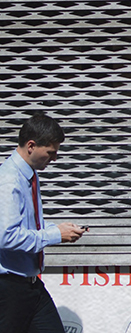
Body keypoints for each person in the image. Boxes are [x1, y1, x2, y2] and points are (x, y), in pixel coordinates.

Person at [0, 113, 87, 333]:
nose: (54, 159)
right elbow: (6, 237)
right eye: (50, 152)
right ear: (31, 146)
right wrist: (55, 235)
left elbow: (27, 226)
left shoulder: (29, 174)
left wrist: (58, 229)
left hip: (30, 285)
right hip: (8, 287)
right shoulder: (8, 181)